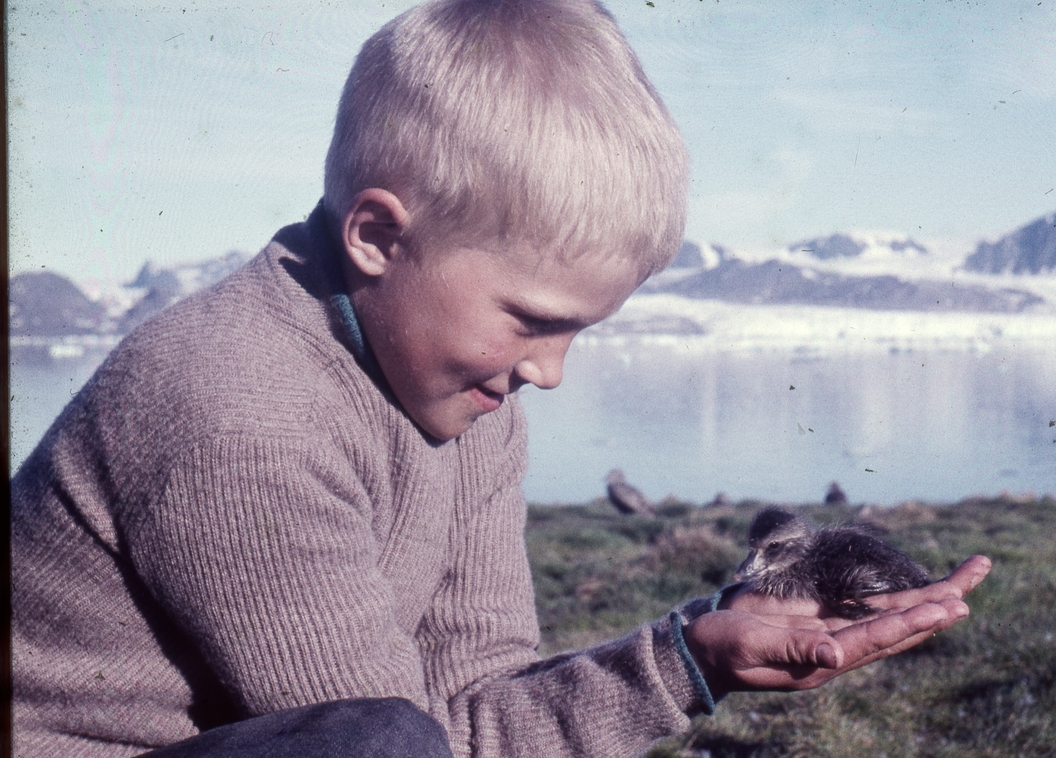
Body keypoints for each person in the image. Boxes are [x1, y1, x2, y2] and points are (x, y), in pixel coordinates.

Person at [9, 0, 991, 755]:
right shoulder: (236, 410)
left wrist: (697, 649)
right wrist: (679, 657)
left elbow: (480, 695)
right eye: (533, 320)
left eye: (578, 332)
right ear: (380, 235)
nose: (550, 371)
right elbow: (407, 739)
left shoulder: (468, 394)